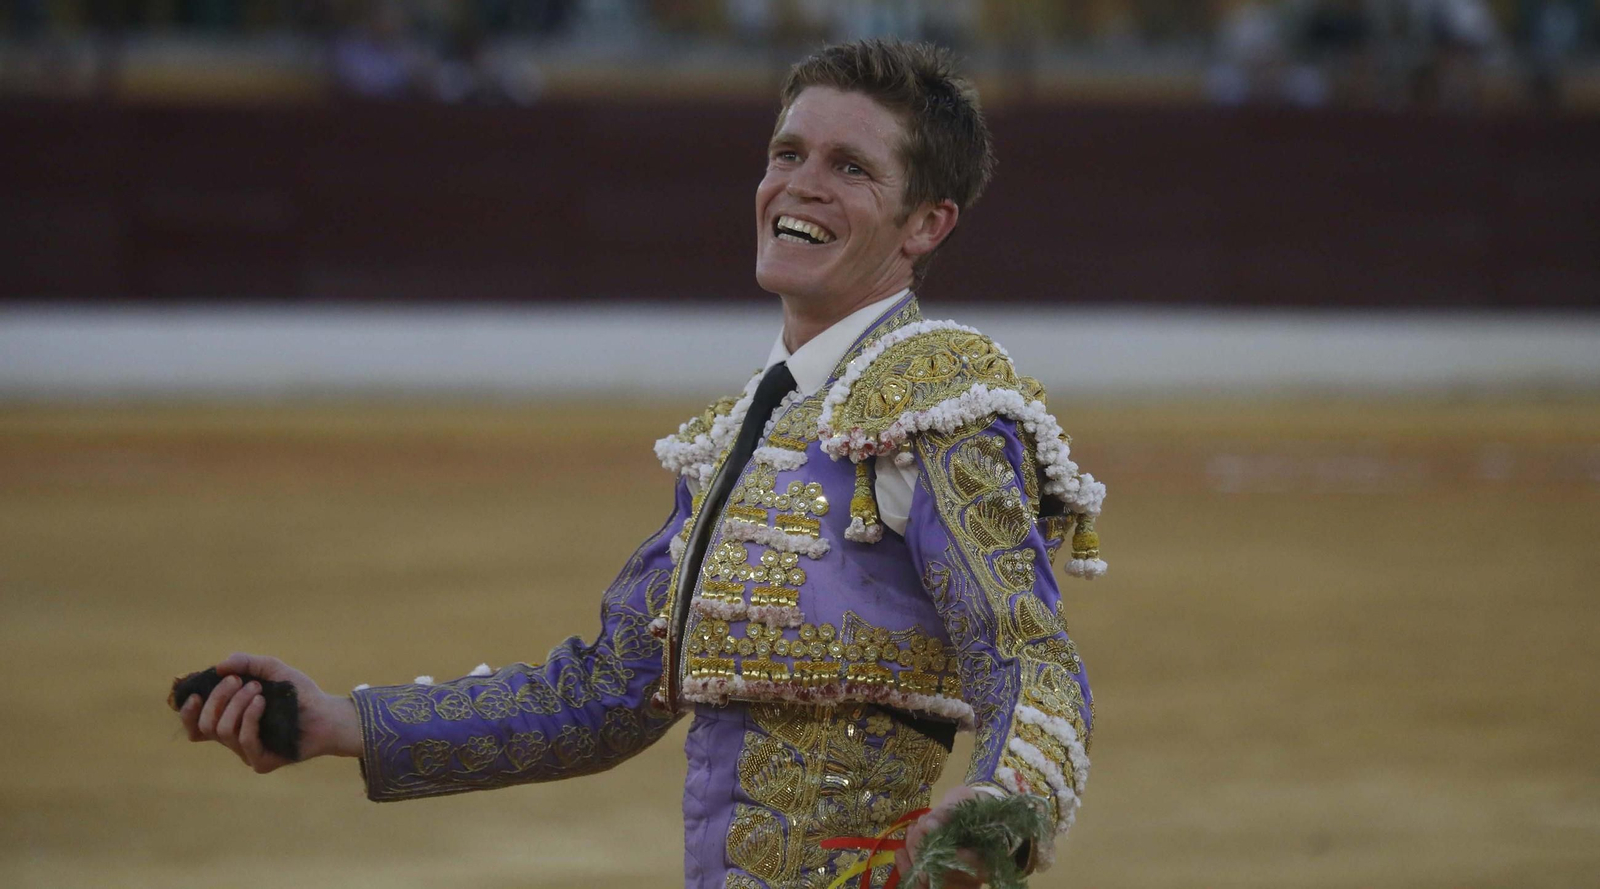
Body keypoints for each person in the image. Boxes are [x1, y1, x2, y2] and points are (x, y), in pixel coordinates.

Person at [179, 38, 1105, 889]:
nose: (802, 184)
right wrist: (345, 723)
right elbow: (602, 696)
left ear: (926, 224)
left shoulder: (939, 403)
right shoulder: (744, 430)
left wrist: (999, 808)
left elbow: (1022, 648)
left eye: (850, 167)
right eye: (788, 153)